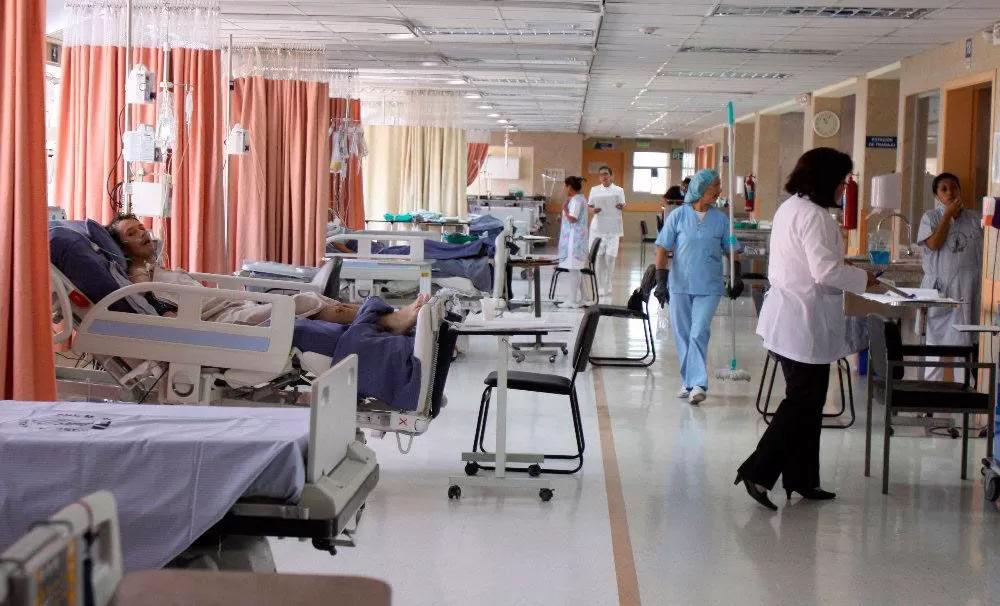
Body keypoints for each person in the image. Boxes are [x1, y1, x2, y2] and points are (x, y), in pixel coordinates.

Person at [735, 148, 878, 510]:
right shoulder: (815, 216)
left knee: (810, 403)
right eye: (842, 181)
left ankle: (802, 478)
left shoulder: (792, 207)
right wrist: (865, 279)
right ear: (825, 180)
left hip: (793, 317)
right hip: (802, 320)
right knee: (802, 402)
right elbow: (825, 272)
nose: (844, 188)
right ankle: (757, 471)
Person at [652, 168, 740, 405]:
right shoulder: (678, 216)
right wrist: (660, 282)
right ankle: (688, 381)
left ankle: (698, 384)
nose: (719, 190)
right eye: (716, 186)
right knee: (682, 334)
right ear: (702, 188)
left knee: (699, 331)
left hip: (709, 286)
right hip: (680, 284)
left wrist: (737, 275)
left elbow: (732, 248)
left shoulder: (721, 219)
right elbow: (662, 248)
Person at [916, 172, 983, 381]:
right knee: (936, 348)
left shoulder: (975, 219)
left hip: (969, 289)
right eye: (944, 189)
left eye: (953, 187)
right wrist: (947, 216)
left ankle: (965, 392)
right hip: (941, 290)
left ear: (960, 190)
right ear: (937, 196)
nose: (950, 192)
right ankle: (930, 395)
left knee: (967, 346)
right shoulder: (930, 218)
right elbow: (934, 244)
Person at [587, 166, 626, 297]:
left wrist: (621, 206)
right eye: (601, 175)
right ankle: (599, 286)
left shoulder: (619, 190)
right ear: (599, 177)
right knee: (598, 258)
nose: (604, 177)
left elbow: (623, 205)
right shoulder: (594, 190)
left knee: (610, 258)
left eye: (606, 174)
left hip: (613, 228)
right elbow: (590, 207)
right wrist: (593, 210)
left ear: (611, 175)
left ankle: (608, 283)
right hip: (598, 228)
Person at [557, 176, 590, 308]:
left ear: (570, 186)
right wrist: (563, 217)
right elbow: (572, 218)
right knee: (577, 270)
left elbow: (573, 219)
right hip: (577, 239)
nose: (565, 188)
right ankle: (584, 298)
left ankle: (572, 300)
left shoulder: (576, 200)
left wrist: (564, 208)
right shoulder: (580, 198)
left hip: (574, 240)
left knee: (574, 270)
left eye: (565, 186)